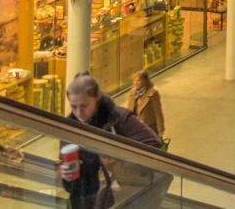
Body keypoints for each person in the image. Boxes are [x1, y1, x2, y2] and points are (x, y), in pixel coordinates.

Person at [58, 72, 162, 209]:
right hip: (84, 202)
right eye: (74, 107)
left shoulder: (120, 118)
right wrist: (64, 173)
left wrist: (115, 164)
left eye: (84, 106)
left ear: (97, 98)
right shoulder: (69, 128)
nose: (79, 113)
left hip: (119, 197)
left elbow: (153, 145)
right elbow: (65, 170)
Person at [128, 70, 165, 149]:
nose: (136, 82)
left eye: (138, 80)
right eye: (134, 80)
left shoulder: (152, 93)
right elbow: (129, 111)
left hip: (149, 129)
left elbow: (158, 112)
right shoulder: (132, 93)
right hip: (135, 129)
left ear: (144, 81)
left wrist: (160, 129)